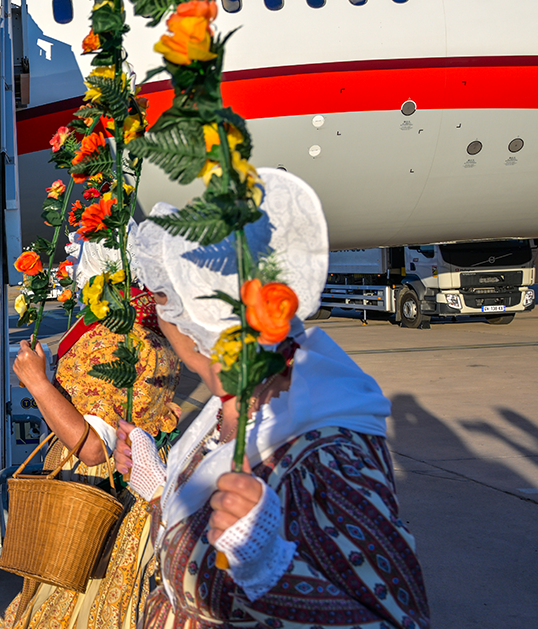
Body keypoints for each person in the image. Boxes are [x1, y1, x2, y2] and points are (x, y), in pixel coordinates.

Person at [116, 168, 430, 628]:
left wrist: (270, 568)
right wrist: (158, 490)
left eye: (160, 301)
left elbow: (394, 620)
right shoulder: (227, 414)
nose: (158, 317)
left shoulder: (326, 450)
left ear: (197, 320)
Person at [0, 254, 182, 629]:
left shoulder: (114, 339)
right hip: (141, 478)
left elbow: (94, 448)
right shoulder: (152, 333)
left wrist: (38, 383)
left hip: (95, 488)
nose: (70, 265)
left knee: (77, 595)